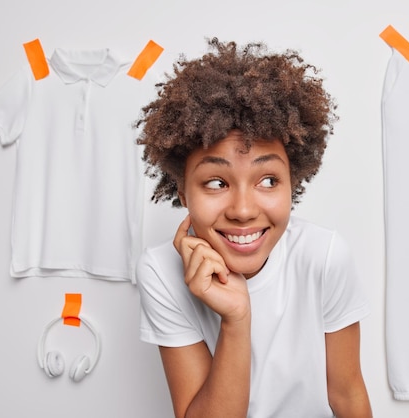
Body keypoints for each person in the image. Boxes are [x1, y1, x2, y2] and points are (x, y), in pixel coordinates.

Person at [135, 38, 372, 418]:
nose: (243, 211)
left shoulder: (323, 257)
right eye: (216, 183)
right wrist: (236, 318)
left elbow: (347, 395)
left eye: (267, 181)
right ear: (183, 190)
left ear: (292, 183)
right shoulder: (161, 273)